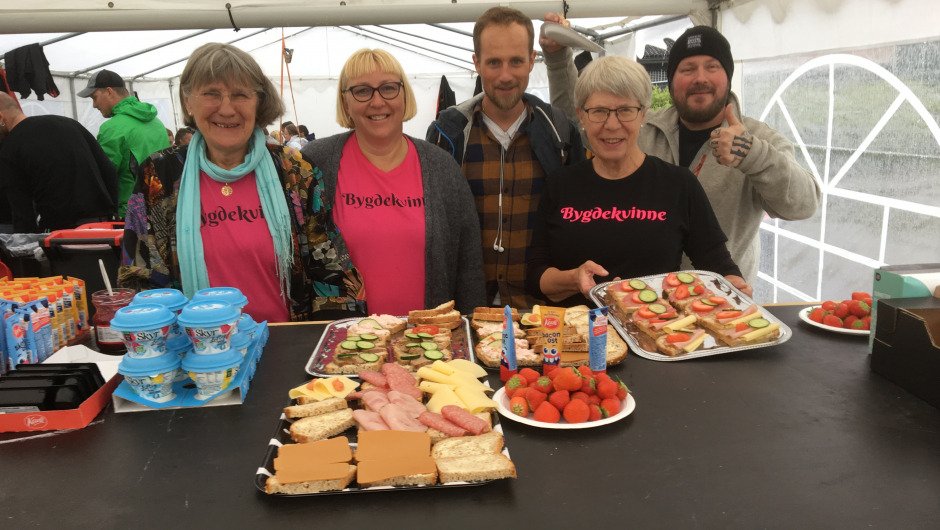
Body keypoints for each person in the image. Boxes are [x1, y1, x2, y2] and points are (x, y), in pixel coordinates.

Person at [544, 22, 821, 283]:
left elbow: (803, 205)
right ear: (671, 81)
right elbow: (582, 120)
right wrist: (557, 60)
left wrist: (751, 154)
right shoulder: (642, 126)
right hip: (651, 299)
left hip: (720, 296)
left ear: (728, 77)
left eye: (712, 67)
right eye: (687, 69)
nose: (700, 78)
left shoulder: (759, 139)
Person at [118, 43, 365, 323]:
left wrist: (323, 339)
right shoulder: (158, 174)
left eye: (240, 95)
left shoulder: (294, 170)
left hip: (287, 342)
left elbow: (332, 271)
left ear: (258, 102)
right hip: (196, 345)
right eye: (211, 93)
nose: (226, 109)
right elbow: (140, 276)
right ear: (188, 101)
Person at [527, 56, 751, 307]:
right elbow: (536, 275)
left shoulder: (678, 184)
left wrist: (734, 284)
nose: (612, 125)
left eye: (625, 110)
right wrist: (573, 278)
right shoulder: (561, 183)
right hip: (577, 329)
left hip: (657, 327)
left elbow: (717, 263)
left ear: (643, 114)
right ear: (582, 116)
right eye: (599, 111)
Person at [302, 48, 485, 315]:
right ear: (345, 102)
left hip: (428, 336)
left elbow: (469, 267)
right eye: (362, 91)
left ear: (404, 94)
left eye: (388, 88)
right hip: (344, 336)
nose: (377, 102)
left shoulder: (442, 167)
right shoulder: (315, 162)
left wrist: (473, 326)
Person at [426, 7, 585, 309]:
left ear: (532, 60)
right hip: (468, 310)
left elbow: (576, 223)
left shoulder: (560, 132)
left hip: (541, 310)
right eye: (494, 62)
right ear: (477, 63)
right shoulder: (447, 135)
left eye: (516, 61)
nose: (505, 75)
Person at [0, 92, 118, 232]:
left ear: (1, 118)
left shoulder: (10, 147)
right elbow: (109, 171)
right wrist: (112, 214)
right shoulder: (68, 123)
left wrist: (28, 241)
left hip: (62, 233)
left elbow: (22, 212)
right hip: (103, 226)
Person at [78, 69, 170, 217]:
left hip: (130, 212)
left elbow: (101, 176)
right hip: (162, 208)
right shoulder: (156, 122)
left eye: (94, 97)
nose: (94, 105)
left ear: (109, 91)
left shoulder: (112, 128)